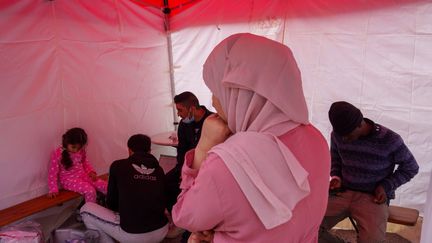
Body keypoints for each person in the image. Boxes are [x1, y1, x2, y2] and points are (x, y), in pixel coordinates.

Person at [171, 33, 331, 242]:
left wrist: (203, 149)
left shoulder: (228, 160)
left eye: (217, 90)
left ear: (239, 90)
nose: (213, 101)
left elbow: (185, 216)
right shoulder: (316, 138)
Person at [319, 101, 419, 243]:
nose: (343, 139)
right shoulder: (337, 135)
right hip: (343, 192)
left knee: (373, 240)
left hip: (372, 197)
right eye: (340, 135)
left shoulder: (390, 140)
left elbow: (411, 167)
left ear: (360, 124)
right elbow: (335, 158)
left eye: (347, 135)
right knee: (305, 226)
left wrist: (386, 186)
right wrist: (336, 176)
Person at [80, 134, 169, 243]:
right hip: (162, 230)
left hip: (134, 235)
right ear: (150, 151)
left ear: (129, 150)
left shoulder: (118, 166)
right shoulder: (159, 170)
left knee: (86, 209)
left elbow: (111, 204)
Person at [47, 127, 107, 203]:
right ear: (66, 142)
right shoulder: (58, 154)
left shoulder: (81, 151)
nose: (76, 150)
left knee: (104, 185)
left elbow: (85, 162)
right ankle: (90, 212)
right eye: (73, 147)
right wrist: (53, 189)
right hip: (69, 180)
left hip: (82, 175)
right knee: (90, 191)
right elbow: (52, 173)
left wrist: (91, 172)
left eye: (79, 148)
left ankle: (114, 204)